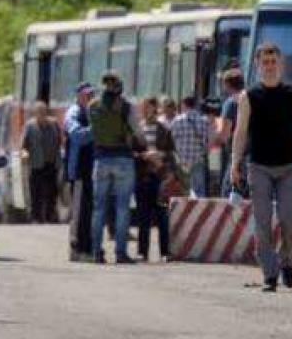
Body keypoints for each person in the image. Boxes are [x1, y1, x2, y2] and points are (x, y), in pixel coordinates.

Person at [231, 42, 292, 293]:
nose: (269, 66)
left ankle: (286, 262)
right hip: (259, 167)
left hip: (289, 167)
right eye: (264, 62)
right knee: (262, 222)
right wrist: (235, 163)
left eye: (273, 62)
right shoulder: (249, 96)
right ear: (258, 65)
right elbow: (240, 131)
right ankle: (269, 274)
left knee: (290, 220)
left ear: (280, 64)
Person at [89, 72, 142, 264]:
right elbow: (138, 131)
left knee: (99, 208)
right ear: (118, 86)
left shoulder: (92, 105)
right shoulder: (126, 106)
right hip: (123, 159)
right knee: (122, 208)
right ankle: (120, 252)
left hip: (100, 160)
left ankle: (96, 252)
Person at [135, 97, 174, 262]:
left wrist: (160, 155)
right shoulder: (137, 129)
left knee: (162, 217)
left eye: (149, 107)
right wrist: (144, 156)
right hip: (143, 176)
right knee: (143, 217)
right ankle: (142, 252)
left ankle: (165, 252)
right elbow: (132, 152)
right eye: (144, 107)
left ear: (155, 108)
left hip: (159, 177)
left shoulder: (164, 129)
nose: (146, 110)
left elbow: (171, 152)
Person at [64, 82, 95, 261]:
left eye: (91, 95)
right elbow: (77, 135)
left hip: (89, 171)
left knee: (88, 212)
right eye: (86, 95)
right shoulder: (74, 113)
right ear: (78, 96)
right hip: (79, 171)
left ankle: (86, 248)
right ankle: (77, 249)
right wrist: (97, 128)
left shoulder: (90, 113)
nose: (90, 98)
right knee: (79, 213)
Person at [20, 101, 62, 223]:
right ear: (35, 114)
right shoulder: (30, 126)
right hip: (36, 164)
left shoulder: (54, 124)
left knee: (52, 192)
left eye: (44, 112)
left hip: (51, 163)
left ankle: (50, 215)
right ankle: (36, 217)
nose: (41, 115)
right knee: (35, 192)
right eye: (39, 113)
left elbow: (60, 141)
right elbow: (23, 144)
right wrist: (24, 153)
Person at [170, 95, 211, 198]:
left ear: (184, 105)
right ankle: (199, 211)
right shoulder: (203, 121)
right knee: (199, 189)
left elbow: (171, 140)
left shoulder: (177, 121)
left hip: (182, 160)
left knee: (183, 189)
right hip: (198, 158)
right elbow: (208, 140)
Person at [216, 65, 246, 196]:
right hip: (257, 158)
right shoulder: (253, 99)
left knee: (229, 194)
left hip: (238, 157)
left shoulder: (231, 103)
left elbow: (224, 133)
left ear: (227, 85)